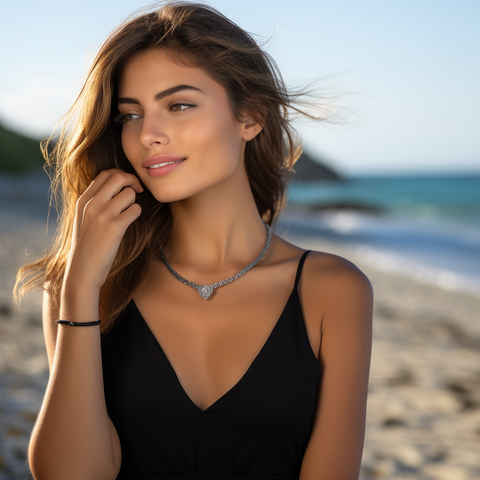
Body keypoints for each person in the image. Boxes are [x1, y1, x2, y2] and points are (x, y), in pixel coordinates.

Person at [15, 2, 373, 479]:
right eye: (129, 115)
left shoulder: (333, 291)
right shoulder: (79, 286)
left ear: (250, 118)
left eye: (178, 105)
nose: (148, 135)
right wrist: (81, 288)